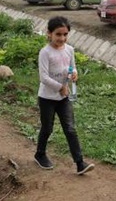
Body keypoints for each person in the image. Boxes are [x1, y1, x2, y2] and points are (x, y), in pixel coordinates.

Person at [34, 16, 95, 175]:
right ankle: (40, 154)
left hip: (64, 97)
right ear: (49, 33)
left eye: (65, 34)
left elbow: (72, 68)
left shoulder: (69, 50)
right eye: (58, 34)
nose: (62, 38)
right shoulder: (45, 53)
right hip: (47, 98)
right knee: (47, 128)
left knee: (70, 129)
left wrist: (74, 74)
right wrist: (60, 87)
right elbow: (44, 77)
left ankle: (80, 163)